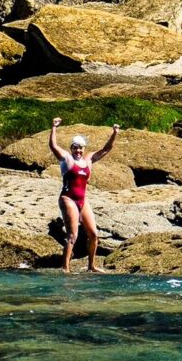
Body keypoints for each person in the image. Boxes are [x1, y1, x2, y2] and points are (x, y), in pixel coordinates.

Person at [49, 117, 118, 273]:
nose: (78, 151)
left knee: (94, 234)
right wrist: (54, 127)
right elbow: (53, 146)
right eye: (75, 148)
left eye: (80, 148)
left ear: (84, 148)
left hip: (82, 200)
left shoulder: (88, 159)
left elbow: (106, 149)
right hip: (68, 199)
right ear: (71, 148)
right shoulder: (67, 159)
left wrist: (115, 133)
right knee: (73, 235)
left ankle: (91, 266)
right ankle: (65, 269)